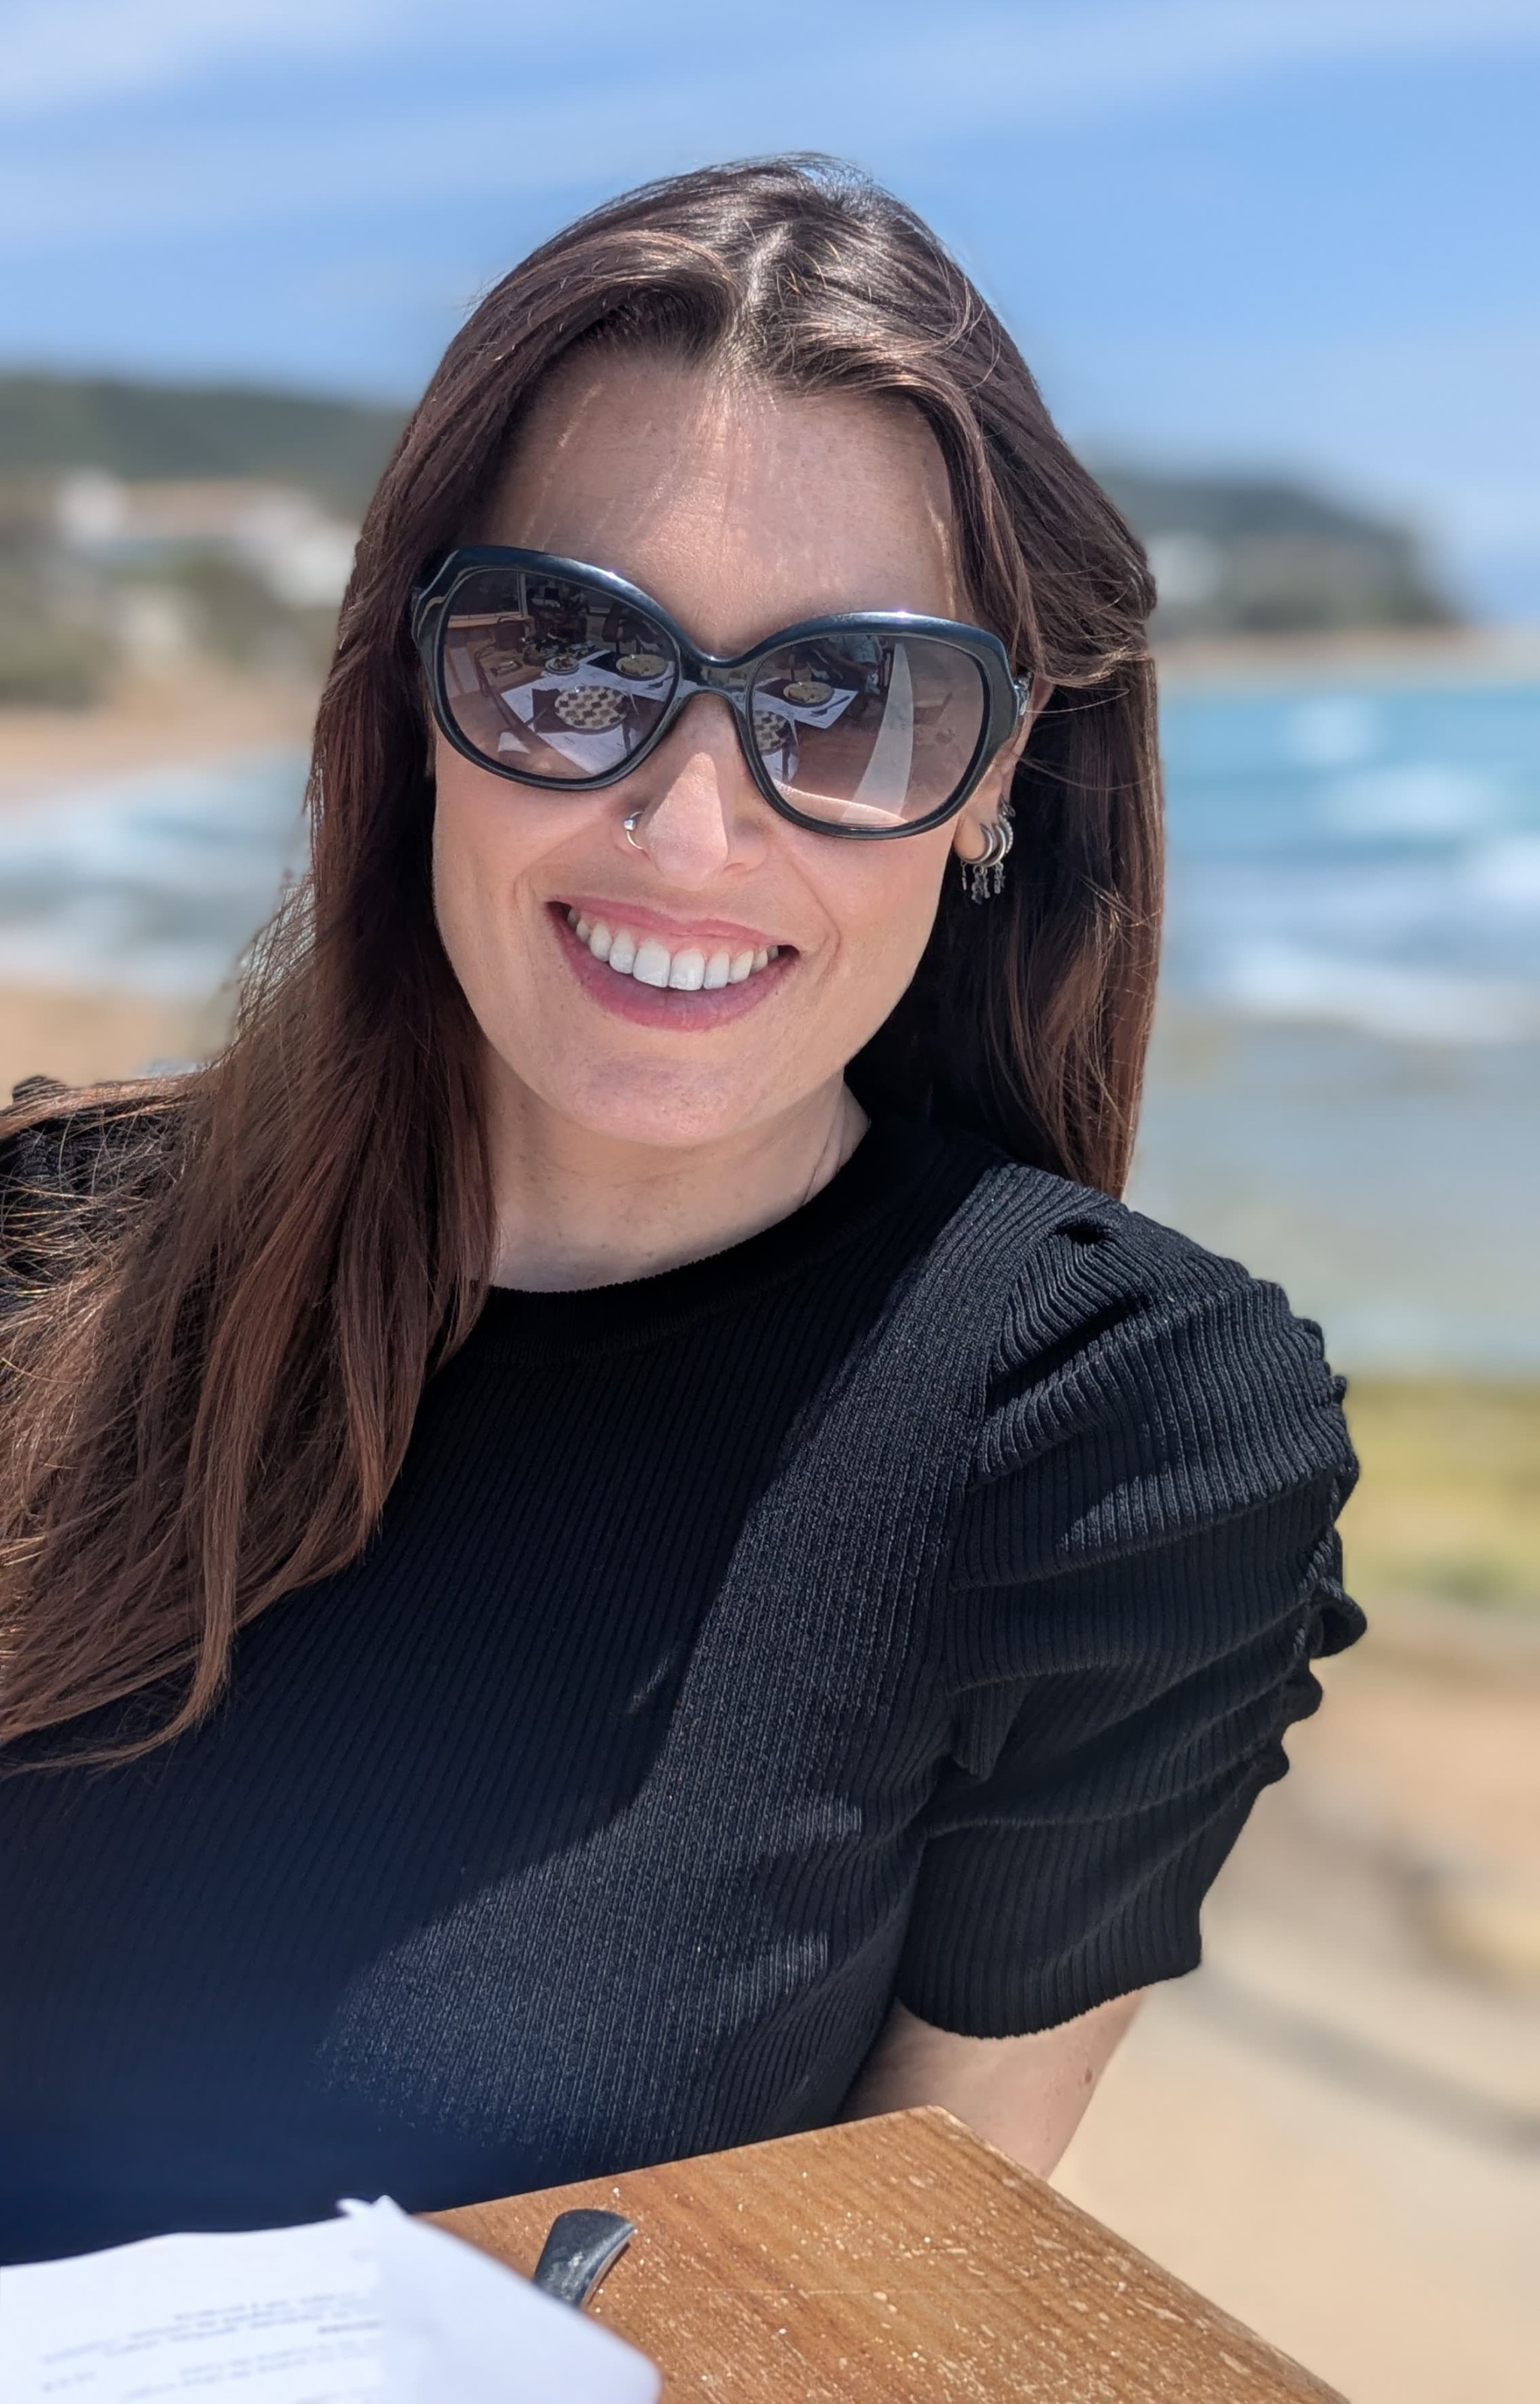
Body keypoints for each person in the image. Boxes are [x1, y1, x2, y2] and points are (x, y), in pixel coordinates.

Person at [0, 159, 1361, 2263]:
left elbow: (884, 2305)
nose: (690, 830)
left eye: (855, 699)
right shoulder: (42, 1243)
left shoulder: (1117, 1448)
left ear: (999, 777)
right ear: (417, 697)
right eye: (568, 658)